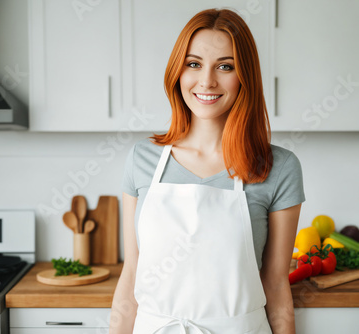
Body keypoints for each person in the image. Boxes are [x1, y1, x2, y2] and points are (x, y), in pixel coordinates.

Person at [109, 8, 305, 334]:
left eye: (225, 66)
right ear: (178, 72)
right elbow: (131, 274)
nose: (207, 81)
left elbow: (275, 285)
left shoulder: (279, 168)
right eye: (194, 64)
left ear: (245, 76)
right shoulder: (141, 160)